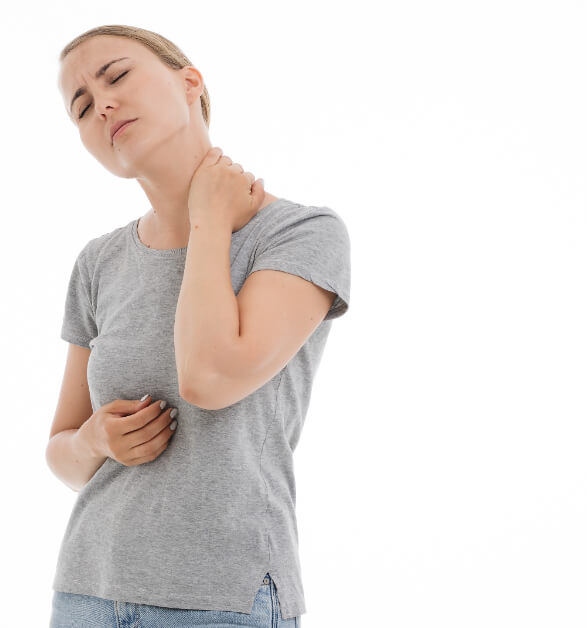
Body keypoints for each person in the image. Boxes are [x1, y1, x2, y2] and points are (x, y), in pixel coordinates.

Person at [45, 24, 351, 628]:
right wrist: (94, 442)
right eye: (81, 107)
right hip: (87, 591)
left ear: (190, 82)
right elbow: (62, 451)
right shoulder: (99, 262)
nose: (102, 105)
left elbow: (209, 378)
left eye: (117, 76)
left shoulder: (299, 233)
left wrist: (209, 220)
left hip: (222, 598)